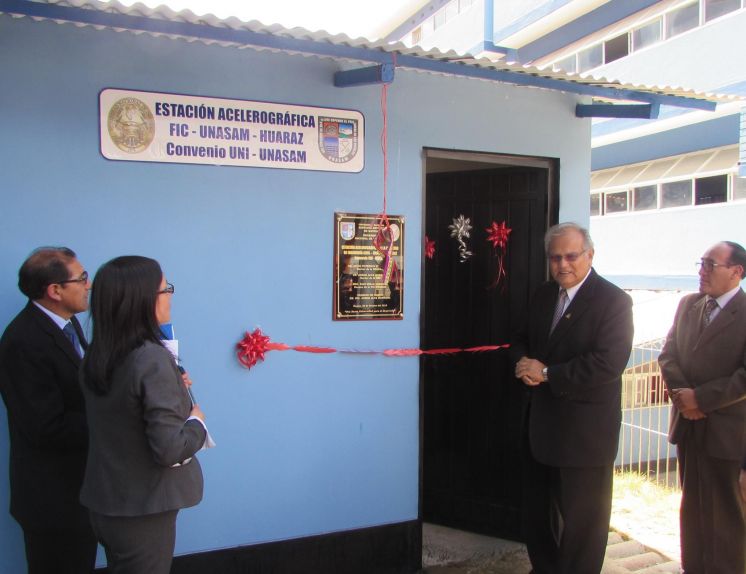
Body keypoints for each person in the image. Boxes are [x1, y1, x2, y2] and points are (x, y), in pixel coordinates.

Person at [512, 222, 634, 574]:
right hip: (539, 429)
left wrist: (547, 373)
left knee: (583, 527)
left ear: (590, 255)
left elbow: (608, 363)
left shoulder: (613, 301)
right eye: (555, 258)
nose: (562, 265)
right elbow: (520, 338)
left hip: (584, 436)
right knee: (537, 518)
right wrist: (521, 362)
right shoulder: (543, 295)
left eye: (571, 256)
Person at [79, 255, 207, 574]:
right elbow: (170, 448)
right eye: (166, 289)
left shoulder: (97, 353)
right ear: (144, 301)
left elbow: (125, 414)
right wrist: (197, 423)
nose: (171, 297)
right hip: (144, 507)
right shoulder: (150, 358)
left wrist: (170, 386)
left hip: (107, 501)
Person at [0, 247, 97, 574]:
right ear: (54, 291)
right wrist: (111, 422)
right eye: (82, 278)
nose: (89, 284)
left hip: (81, 493)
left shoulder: (69, 325)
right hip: (53, 502)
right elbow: (45, 427)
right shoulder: (23, 341)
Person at [658, 241, 746, 574]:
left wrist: (702, 399)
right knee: (691, 511)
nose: (702, 272)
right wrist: (683, 396)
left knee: (725, 520)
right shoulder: (688, 305)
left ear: (737, 272)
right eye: (701, 263)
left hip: (727, 432)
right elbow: (668, 355)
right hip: (688, 427)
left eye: (711, 265)